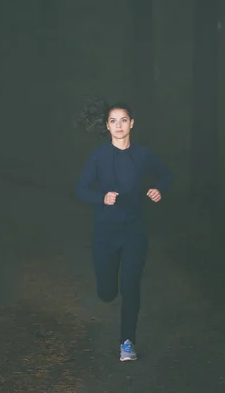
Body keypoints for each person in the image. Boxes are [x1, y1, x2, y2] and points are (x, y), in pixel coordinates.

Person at [74, 99, 173, 361]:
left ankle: (127, 342)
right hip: (105, 233)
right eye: (113, 121)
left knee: (130, 285)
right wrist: (101, 198)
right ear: (107, 126)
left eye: (123, 120)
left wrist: (159, 189)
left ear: (132, 124)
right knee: (107, 292)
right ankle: (106, 289)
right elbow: (81, 189)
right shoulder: (98, 156)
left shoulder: (143, 155)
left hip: (134, 231)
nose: (119, 125)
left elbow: (166, 175)